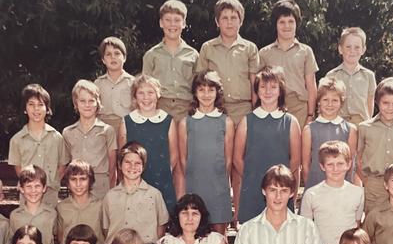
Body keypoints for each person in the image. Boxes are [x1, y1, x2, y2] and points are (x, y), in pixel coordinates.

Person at [233, 66, 301, 223]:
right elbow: (237, 158)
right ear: (257, 90)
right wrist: (253, 178)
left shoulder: (290, 121)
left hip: (280, 191)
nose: (268, 91)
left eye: (273, 87)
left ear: (280, 90)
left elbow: (296, 159)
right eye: (263, 87)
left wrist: (280, 183)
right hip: (253, 190)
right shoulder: (247, 121)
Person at [178, 71, 234, 234]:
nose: (206, 94)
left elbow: (228, 160)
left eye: (211, 90)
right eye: (201, 90)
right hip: (195, 185)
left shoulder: (226, 122)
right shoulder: (185, 123)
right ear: (195, 93)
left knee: (219, 235)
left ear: (217, 92)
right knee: (195, 233)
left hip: (218, 187)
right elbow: (183, 159)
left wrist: (221, 184)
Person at [118, 74, 181, 211]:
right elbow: (122, 156)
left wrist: (163, 172)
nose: (146, 97)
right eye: (141, 93)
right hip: (135, 179)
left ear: (158, 94)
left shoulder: (167, 120)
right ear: (135, 96)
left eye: (150, 92)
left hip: (162, 180)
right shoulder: (127, 122)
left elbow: (174, 154)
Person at [300, 141, 364, 244]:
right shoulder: (312, 194)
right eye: (330, 164)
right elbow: (305, 229)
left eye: (340, 164)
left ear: (348, 164)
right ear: (322, 166)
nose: (336, 169)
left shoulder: (357, 193)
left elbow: (357, 224)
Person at [102, 142, 169, 244]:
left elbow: (161, 226)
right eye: (127, 162)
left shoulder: (154, 194)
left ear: (143, 167)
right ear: (119, 165)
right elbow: (106, 228)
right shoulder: (110, 196)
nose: (132, 166)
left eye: (137, 163)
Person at [195, 0, 259, 126]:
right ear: (217, 22)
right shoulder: (207, 48)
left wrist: (256, 111)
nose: (229, 22)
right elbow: (200, 83)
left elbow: (255, 84)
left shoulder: (250, 48)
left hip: (244, 109)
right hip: (216, 109)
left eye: (234, 18)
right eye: (224, 18)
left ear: (241, 21)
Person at [356, 77, 393, 213]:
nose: (390, 108)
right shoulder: (364, 127)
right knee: (373, 224)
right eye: (385, 103)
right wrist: (366, 181)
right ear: (377, 102)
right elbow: (357, 158)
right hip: (374, 184)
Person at [259, 0, 317, 127]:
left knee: (298, 146)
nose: (287, 26)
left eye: (291, 21)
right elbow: (258, 85)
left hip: (300, 109)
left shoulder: (306, 51)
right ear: (276, 24)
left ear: (297, 23)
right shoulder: (264, 53)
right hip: (273, 107)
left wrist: (310, 115)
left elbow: (311, 86)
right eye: (282, 22)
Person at [8, 83, 66, 207]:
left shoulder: (57, 137)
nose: (36, 109)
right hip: (28, 195)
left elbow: (62, 166)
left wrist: (50, 183)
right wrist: (31, 186)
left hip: (50, 194)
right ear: (25, 108)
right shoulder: (17, 140)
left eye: (41, 105)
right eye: (31, 105)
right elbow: (18, 168)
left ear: (47, 108)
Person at [142, 0, 199, 122]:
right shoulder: (151, 55)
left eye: (177, 20)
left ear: (184, 24)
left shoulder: (193, 55)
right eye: (167, 20)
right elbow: (144, 88)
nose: (172, 24)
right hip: (160, 108)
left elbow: (198, 86)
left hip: (186, 108)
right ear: (161, 23)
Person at [62, 79, 117, 199]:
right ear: (76, 103)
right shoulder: (68, 132)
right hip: (77, 186)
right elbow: (65, 164)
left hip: (101, 186)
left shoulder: (107, 130)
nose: (87, 105)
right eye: (82, 101)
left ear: (97, 103)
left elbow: (113, 166)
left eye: (91, 101)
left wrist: (112, 192)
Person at [301, 77, 357, 190]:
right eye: (325, 99)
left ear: (341, 102)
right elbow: (305, 165)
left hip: (341, 188)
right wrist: (310, 187)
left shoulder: (350, 129)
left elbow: (351, 164)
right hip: (315, 185)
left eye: (335, 100)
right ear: (319, 102)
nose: (329, 104)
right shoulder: (309, 130)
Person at [10, 165, 58, 244]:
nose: (33, 191)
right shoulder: (15, 215)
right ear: (21, 189)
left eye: (37, 186)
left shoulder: (52, 214)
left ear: (44, 188)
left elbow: (56, 236)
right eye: (28, 186)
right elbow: (12, 243)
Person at [57, 160, 104, 244]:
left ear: (90, 181)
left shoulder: (100, 205)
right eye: (73, 179)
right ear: (67, 182)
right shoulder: (61, 207)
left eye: (83, 179)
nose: (78, 184)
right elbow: (61, 235)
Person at [325, 27, 376, 126]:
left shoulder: (368, 76)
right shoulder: (332, 75)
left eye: (357, 47)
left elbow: (370, 104)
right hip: (338, 124)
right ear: (340, 49)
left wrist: (367, 123)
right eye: (348, 47)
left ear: (363, 49)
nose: (352, 51)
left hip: (361, 124)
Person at [94, 36, 135, 136]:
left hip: (127, 128)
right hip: (103, 130)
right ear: (103, 60)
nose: (113, 57)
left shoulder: (133, 83)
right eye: (108, 54)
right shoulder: (98, 84)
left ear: (124, 58)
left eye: (117, 53)